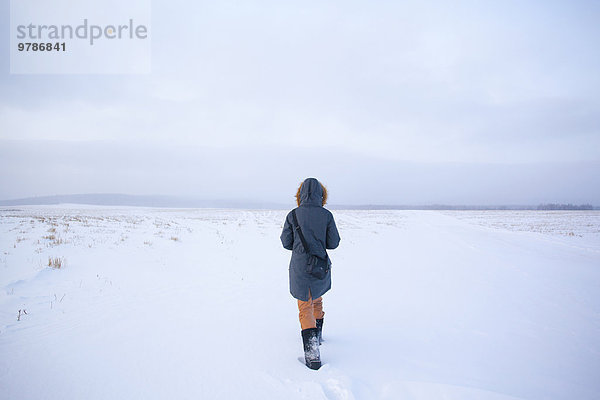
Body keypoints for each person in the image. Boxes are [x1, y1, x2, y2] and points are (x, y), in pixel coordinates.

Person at [280, 177, 340, 370]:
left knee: (305, 306)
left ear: (300, 194)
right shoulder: (327, 215)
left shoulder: (293, 215)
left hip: (300, 268)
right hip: (320, 266)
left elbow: (285, 242)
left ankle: (313, 357)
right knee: (317, 298)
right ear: (321, 194)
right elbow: (334, 243)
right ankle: (318, 335)